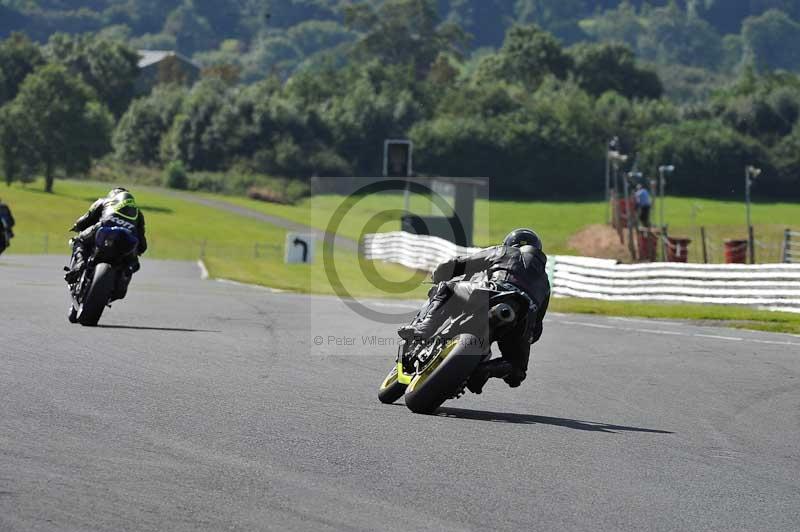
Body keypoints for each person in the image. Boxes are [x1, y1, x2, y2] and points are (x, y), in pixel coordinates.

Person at [399, 228, 551, 394]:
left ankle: (425, 328)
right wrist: (521, 339)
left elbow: (461, 264)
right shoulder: (545, 283)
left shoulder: (504, 251)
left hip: (492, 293)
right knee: (517, 369)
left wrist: (439, 274)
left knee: (447, 288)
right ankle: (486, 370)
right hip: (524, 317)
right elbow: (536, 331)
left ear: (509, 243)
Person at [64, 188, 147, 298]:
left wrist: (76, 227)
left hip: (103, 230)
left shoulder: (103, 201)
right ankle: (121, 282)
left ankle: (79, 264)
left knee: (79, 240)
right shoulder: (138, 213)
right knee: (132, 263)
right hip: (127, 239)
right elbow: (142, 244)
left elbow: (85, 219)